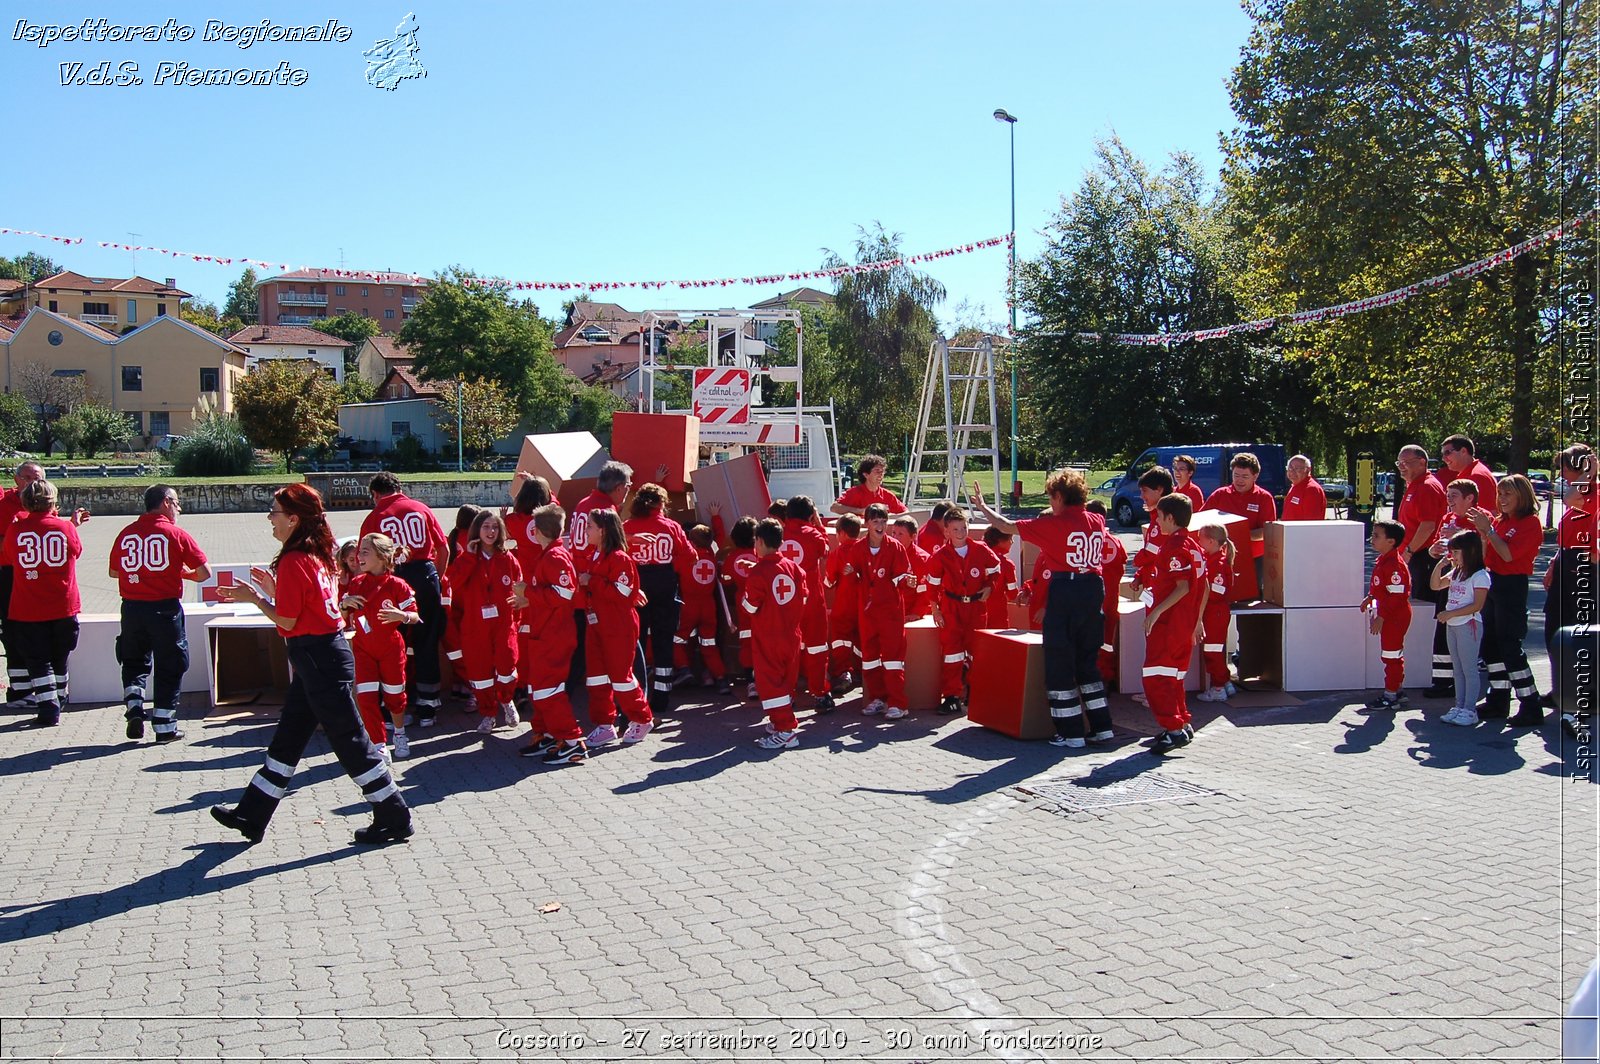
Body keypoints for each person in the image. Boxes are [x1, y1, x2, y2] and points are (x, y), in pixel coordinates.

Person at [212, 483, 412, 846]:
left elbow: (288, 622)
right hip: (322, 656)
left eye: (274, 512)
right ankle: (251, 814)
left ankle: (394, 813)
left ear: (293, 519)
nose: (269, 519)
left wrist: (256, 598)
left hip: (318, 657)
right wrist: (274, 591)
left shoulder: (295, 559)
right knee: (289, 737)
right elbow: (310, 608)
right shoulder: (316, 555)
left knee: (351, 741)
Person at [970, 469, 1112, 748]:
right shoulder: (1096, 520)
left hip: (1067, 589)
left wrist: (983, 507)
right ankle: (1101, 726)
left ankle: (1070, 733)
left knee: (1059, 662)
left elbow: (1006, 525)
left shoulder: (1055, 524)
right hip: (1093, 590)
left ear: (1058, 496)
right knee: (1087, 663)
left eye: (1051, 497)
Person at [110, 485, 210, 742]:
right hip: (164, 609)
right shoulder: (176, 534)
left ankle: (134, 705)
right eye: (176, 503)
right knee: (171, 664)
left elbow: (114, 572)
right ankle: (164, 726)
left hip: (131, 608)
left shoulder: (126, 533)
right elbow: (203, 573)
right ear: (166, 502)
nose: (179, 508)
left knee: (133, 661)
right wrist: (181, 573)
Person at [362, 473, 450, 726]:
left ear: (375, 494)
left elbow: (365, 559)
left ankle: (391, 707)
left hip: (391, 581)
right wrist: (436, 578)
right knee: (427, 641)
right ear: (400, 488)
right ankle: (428, 705)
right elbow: (443, 548)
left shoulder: (375, 517)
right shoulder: (420, 508)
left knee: (389, 645)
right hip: (425, 575)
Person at [1, 480, 86, 727]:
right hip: (63, 604)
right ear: (53, 502)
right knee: (60, 655)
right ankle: (59, 698)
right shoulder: (65, 528)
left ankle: (49, 706)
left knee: (38, 660)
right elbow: (76, 552)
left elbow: (8, 557)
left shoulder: (16, 530)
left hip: (28, 607)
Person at [513, 503, 587, 765]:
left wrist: (528, 594)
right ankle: (545, 734)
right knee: (538, 689)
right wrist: (528, 601)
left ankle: (571, 741)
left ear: (536, 531)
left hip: (554, 636)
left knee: (548, 690)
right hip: (544, 633)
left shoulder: (555, 557)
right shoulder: (550, 554)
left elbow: (565, 594)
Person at [1471, 474, 1543, 725]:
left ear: (1522, 496)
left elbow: (1509, 555)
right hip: (1493, 582)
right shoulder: (1501, 522)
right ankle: (1498, 699)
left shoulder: (1530, 523)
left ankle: (1530, 703)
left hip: (1512, 584)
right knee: (1490, 644)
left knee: (1509, 644)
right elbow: (1487, 554)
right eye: (1500, 494)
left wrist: (1489, 530)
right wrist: (1484, 534)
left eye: (1508, 494)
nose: (1502, 499)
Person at [341, 533, 419, 761]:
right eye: (359, 551)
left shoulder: (397, 585)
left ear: (382, 557)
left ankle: (400, 734)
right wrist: (344, 604)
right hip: (363, 649)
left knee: (395, 697)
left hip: (391, 649)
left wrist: (401, 615)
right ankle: (378, 743)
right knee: (365, 698)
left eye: (365, 551)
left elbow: (415, 616)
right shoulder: (356, 583)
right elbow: (343, 615)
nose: (359, 556)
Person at [446, 510, 523, 734]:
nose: (491, 532)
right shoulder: (467, 558)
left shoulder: (508, 558)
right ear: (477, 530)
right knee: (479, 674)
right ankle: (488, 714)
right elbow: (454, 583)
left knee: (508, 666)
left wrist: (518, 612)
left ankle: (506, 700)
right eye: (486, 527)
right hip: (475, 626)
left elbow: (519, 587)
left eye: (495, 527)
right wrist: (469, 557)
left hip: (503, 624)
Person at [583, 508, 654, 749]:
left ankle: (642, 718)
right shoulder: (597, 554)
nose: (586, 530)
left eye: (590, 526)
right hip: (597, 625)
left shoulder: (620, 558)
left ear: (602, 531)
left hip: (618, 626)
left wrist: (591, 581)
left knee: (621, 677)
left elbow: (622, 593)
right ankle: (605, 725)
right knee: (596, 678)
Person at [624, 483, 693, 715]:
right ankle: (662, 697)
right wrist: (672, 570)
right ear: (661, 503)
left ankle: (637, 694)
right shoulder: (671, 527)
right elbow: (689, 556)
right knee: (664, 642)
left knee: (636, 641)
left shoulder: (627, 527)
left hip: (637, 585)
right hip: (665, 584)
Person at [743, 518, 810, 749]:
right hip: (791, 634)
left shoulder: (758, 573)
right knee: (786, 682)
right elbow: (803, 598)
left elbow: (750, 607)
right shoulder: (795, 568)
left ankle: (786, 729)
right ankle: (779, 721)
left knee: (770, 684)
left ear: (759, 541)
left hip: (768, 637)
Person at [926, 508, 1000, 716]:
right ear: (946, 531)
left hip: (976, 608)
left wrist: (989, 586)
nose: (960, 532)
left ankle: (975, 692)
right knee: (952, 652)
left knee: (976, 651)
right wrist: (935, 610)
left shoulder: (980, 549)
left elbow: (995, 568)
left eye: (964, 527)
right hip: (951, 607)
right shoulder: (940, 556)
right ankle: (951, 696)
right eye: (955, 528)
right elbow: (932, 585)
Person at [1142, 495, 1201, 754]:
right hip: (1184, 623)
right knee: (1174, 677)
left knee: (1157, 677)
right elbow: (1204, 584)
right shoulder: (1193, 544)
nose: (1156, 521)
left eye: (1159, 516)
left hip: (1169, 625)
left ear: (1170, 518)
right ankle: (1181, 721)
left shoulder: (1174, 547)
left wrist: (1155, 613)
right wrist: (1197, 621)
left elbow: (1183, 586)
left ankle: (1173, 729)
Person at [843, 503, 912, 719]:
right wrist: (850, 573)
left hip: (890, 612)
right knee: (870, 657)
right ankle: (877, 699)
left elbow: (901, 575)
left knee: (892, 658)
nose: (880, 525)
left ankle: (898, 704)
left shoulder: (895, 547)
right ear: (867, 524)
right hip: (867, 612)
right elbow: (854, 578)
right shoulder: (857, 549)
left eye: (883, 521)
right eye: (876, 521)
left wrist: (907, 580)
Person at [1545, 445, 1596, 734]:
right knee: (1555, 627)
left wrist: (1589, 473)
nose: (1562, 473)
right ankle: (1560, 691)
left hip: (1584, 568)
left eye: (1566, 467)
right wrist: (1554, 561)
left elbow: (1571, 498)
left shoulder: (1591, 490)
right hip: (1567, 561)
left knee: (1577, 634)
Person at [1395, 444, 1451, 698]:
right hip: (1416, 555)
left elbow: (1428, 525)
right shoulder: (1415, 486)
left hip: (1424, 557)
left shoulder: (1427, 486)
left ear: (1422, 462)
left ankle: (1435, 673)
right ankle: (1427, 668)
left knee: (1427, 610)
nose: (1401, 466)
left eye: (1406, 462)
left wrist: (1409, 552)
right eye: (1399, 462)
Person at [1430, 530, 1491, 727]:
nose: (1453, 556)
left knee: (1469, 669)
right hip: (1453, 624)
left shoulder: (1480, 576)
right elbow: (1436, 586)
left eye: (1456, 552)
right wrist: (1439, 566)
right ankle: (1459, 705)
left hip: (1468, 625)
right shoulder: (1456, 571)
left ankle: (1470, 709)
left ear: (1470, 551)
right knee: (1457, 669)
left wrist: (1450, 614)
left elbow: (1477, 605)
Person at [780, 496, 833, 709]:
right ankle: (819, 692)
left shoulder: (778, 534)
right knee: (818, 647)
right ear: (811, 515)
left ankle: (787, 693)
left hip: (784, 601)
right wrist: (818, 525)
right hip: (811, 599)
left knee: (788, 648)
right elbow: (825, 550)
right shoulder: (813, 535)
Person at [1202, 452, 1277, 592]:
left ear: (1255, 476)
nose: (1239, 480)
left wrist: (1240, 535)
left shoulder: (1264, 498)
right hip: (1221, 559)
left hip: (1253, 560)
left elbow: (1267, 532)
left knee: (1250, 601)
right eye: (1236, 475)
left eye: (1244, 476)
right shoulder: (1220, 495)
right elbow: (1201, 521)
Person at [1360, 519, 1411, 710]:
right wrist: (1369, 597)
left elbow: (1396, 597)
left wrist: (1381, 617)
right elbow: (1381, 586)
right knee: (1391, 655)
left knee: (1391, 656)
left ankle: (1390, 695)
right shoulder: (1383, 560)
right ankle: (1397, 690)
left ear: (1391, 541)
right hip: (1390, 615)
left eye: (1376, 536)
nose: (1372, 539)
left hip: (1395, 617)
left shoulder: (1394, 565)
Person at [674, 520, 728, 691]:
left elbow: (672, 567)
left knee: (677, 640)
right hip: (709, 607)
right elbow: (719, 538)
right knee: (709, 644)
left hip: (688, 606)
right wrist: (716, 519)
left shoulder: (686, 559)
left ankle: (684, 669)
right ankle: (721, 679)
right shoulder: (712, 556)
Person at [1193, 523, 1236, 703]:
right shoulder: (1213, 559)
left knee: (1213, 652)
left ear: (1210, 541)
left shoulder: (1217, 564)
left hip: (1215, 613)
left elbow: (1216, 592)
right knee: (1214, 650)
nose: (1198, 541)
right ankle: (1225, 682)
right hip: (1214, 612)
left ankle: (1218, 688)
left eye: (1200, 538)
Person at [1084, 500, 1126, 684]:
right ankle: (1106, 677)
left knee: (1088, 642)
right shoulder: (1115, 542)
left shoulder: (1085, 541)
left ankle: (1089, 678)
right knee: (1107, 643)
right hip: (1110, 602)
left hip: (1090, 602)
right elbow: (1122, 567)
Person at [825, 512, 864, 699]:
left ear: (840, 533)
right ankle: (861, 670)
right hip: (864, 603)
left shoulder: (838, 553)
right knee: (860, 638)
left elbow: (830, 580)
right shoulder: (865, 549)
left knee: (840, 637)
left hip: (844, 603)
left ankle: (843, 672)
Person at [721, 515, 760, 697]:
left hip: (743, 604)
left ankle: (751, 682)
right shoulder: (760, 554)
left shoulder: (732, 558)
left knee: (746, 642)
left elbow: (726, 580)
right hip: (762, 603)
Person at [1434, 434, 1499, 515]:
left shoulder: (1476, 476)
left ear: (1463, 451)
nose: (1443, 458)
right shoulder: (1470, 473)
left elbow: (1488, 515)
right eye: (1443, 454)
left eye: (1447, 453)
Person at [831, 455, 907, 517]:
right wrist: (860, 511)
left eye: (882, 471)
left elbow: (906, 513)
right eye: (877, 471)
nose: (881, 474)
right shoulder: (855, 492)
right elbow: (834, 507)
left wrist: (891, 516)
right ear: (866, 475)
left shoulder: (888, 495)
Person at [888, 514, 932, 620]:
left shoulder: (923, 559)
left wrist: (917, 613)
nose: (895, 537)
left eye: (900, 534)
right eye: (894, 533)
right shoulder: (886, 553)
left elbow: (925, 590)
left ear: (913, 537)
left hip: (910, 613)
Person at [982, 525, 1018, 630]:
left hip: (976, 611)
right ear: (1000, 541)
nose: (1012, 542)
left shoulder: (976, 558)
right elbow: (1012, 594)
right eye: (1010, 539)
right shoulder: (1007, 565)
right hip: (997, 613)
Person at [1281, 455, 1327, 521]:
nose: (1292, 472)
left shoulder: (1312, 489)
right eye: (1290, 468)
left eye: (1297, 468)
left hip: (1301, 531)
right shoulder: (1295, 487)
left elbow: (1310, 523)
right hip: (1290, 530)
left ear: (1308, 470)